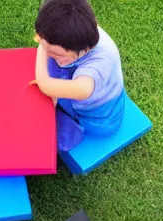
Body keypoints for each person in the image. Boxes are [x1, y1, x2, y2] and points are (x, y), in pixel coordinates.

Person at [32, 0, 125, 151]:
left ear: (83, 50)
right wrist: (46, 45)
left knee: (47, 136)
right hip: (92, 87)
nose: (44, 49)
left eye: (55, 53)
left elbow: (46, 85)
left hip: (96, 118)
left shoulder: (88, 79)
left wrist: (44, 80)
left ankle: (73, 131)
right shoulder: (79, 30)